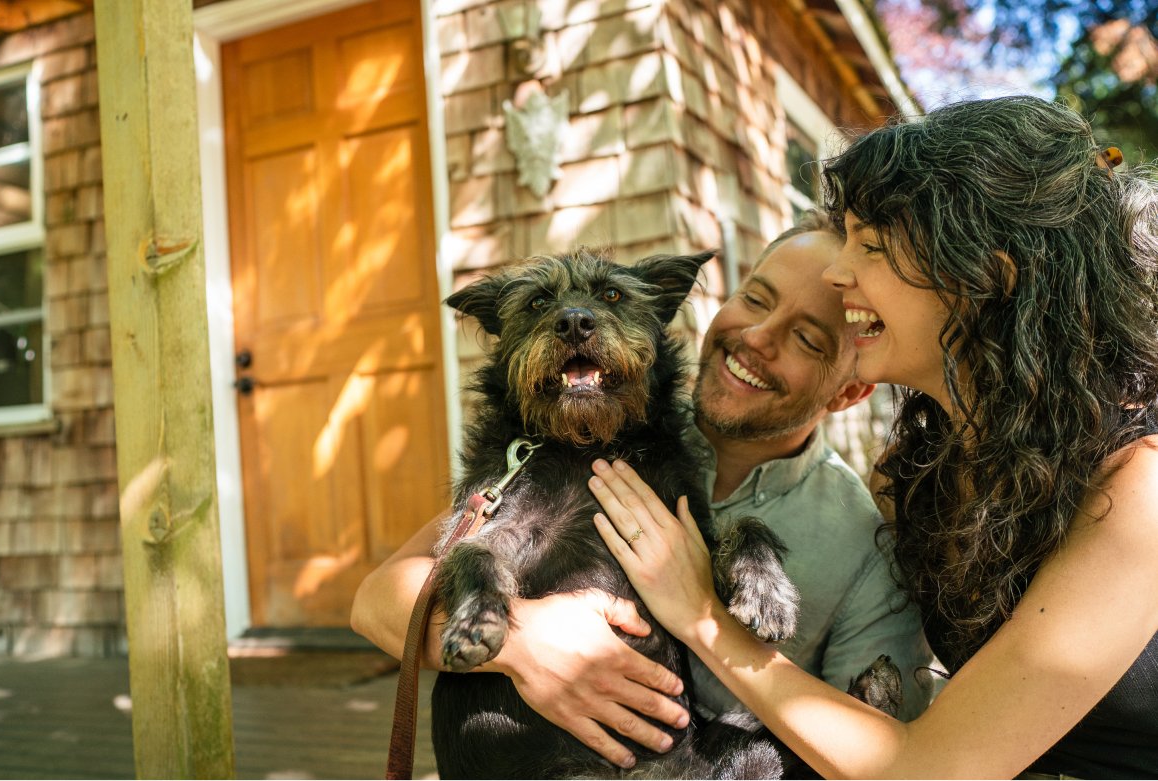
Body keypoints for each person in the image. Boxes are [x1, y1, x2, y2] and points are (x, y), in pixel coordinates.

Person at [588, 95, 1158, 778]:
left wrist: (703, 615)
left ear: (988, 278)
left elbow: (925, 766)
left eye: (874, 246)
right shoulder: (918, 471)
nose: (838, 270)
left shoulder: (1136, 490)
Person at [351, 212, 935, 768]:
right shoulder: (576, 442)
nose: (758, 337)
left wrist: (703, 615)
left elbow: (883, 759)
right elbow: (377, 601)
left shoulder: (866, 548)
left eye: (808, 340)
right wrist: (528, 647)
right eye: (754, 299)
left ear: (847, 395)